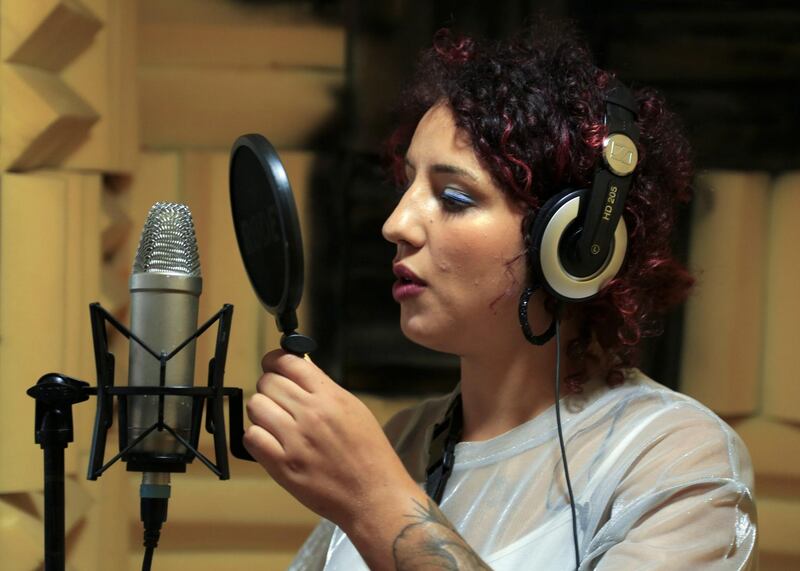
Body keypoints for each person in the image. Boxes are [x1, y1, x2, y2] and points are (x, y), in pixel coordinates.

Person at [242, 20, 757, 570]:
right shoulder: (401, 443)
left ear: (574, 243)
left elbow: (376, 499)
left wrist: (376, 500)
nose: (396, 224)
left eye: (454, 197)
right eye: (406, 187)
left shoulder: (675, 460)